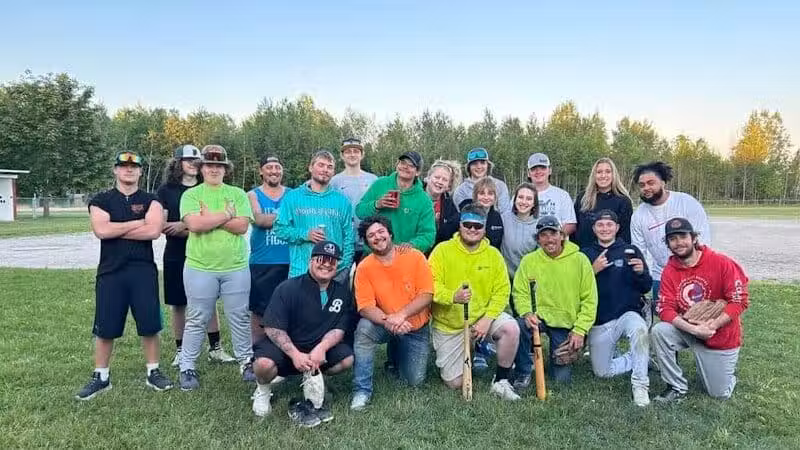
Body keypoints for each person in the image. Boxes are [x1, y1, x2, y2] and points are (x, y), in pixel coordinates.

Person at [77, 151, 173, 400]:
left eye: (134, 167)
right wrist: (136, 222)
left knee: (149, 324)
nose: (128, 170)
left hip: (142, 270)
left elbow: (153, 231)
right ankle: (101, 376)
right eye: (123, 166)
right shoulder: (101, 199)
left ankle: (153, 371)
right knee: (105, 326)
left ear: (141, 171)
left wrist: (116, 228)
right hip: (111, 272)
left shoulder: (151, 199)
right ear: (115, 170)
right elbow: (101, 230)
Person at [251, 241, 355, 426]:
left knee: (346, 359)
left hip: (316, 349)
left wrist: (321, 348)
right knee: (263, 364)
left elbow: (339, 328)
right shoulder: (288, 288)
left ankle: (311, 377)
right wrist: (295, 354)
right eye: (321, 259)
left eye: (332, 261)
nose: (327, 264)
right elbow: (272, 328)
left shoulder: (341, 292)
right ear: (311, 261)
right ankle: (263, 390)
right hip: (287, 349)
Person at [178, 145, 255, 390]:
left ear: (225, 169)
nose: (213, 169)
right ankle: (187, 366)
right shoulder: (191, 195)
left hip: (235, 266)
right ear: (201, 168)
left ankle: (246, 361)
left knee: (240, 316)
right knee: (197, 316)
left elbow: (242, 226)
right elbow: (195, 225)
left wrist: (211, 217)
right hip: (201, 266)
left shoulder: (237, 193)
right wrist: (225, 215)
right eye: (209, 165)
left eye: (218, 165)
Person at [428, 203, 521, 401]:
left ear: (484, 229)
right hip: (450, 325)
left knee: (511, 328)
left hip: (481, 320)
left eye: (477, 226)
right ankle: (471, 348)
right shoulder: (441, 251)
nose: (472, 229)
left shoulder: (494, 255)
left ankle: (501, 380)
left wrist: (487, 319)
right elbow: (430, 284)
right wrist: (452, 297)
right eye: (468, 224)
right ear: (460, 225)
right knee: (455, 383)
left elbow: (502, 290)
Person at [651, 218, 749, 402]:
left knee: (718, 393)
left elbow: (739, 301)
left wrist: (713, 324)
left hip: (719, 334)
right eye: (672, 239)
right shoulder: (670, 270)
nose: (678, 242)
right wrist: (695, 330)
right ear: (668, 244)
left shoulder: (721, 263)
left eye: (683, 236)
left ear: (694, 238)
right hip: (690, 329)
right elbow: (665, 309)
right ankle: (676, 386)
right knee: (660, 331)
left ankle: (726, 375)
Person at [157, 145, 235, 367]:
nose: (192, 163)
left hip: (205, 251)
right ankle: (181, 350)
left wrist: (185, 224)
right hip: (176, 253)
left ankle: (215, 348)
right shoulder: (166, 191)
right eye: (187, 159)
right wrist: (196, 225)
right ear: (177, 163)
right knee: (179, 304)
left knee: (208, 301)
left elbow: (216, 223)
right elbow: (162, 225)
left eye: (196, 160)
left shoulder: (206, 188)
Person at [350, 216, 432, 410]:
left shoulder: (415, 257)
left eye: (381, 232)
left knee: (414, 381)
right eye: (371, 235)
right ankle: (361, 390)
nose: (377, 237)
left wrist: (401, 315)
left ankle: (396, 354)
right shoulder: (365, 267)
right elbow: (365, 306)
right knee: (363, 330)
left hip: (415, 327)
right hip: (385, 323)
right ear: (366, 242)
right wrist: (390, 321)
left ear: (390, 233)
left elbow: (427, 295)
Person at [512, 216, 597, 388]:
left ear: (562, 236)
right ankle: (523, 370)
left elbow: (590, 299)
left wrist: (580, 330)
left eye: (553, 233)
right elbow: (520, 292)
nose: (549, 239)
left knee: (561, 380)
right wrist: (527, 313)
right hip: (539, 317)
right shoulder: (529, 261)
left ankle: (564, 355)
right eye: (544, 235)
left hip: (565, 321)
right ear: (538, 239)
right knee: (518, 326)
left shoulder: (580, 260)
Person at [581, 210, 652, 406]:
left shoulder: (630, 250)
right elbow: (577, 289)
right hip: (600, 320)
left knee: (639, 330)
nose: (605, 229)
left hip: (627, 314)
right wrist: (592, 271)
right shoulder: (585, 254)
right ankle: (640, 358)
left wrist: (640, 272)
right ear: (594, 229)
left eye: (609, 225)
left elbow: (645, 286)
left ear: (617, 228)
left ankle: (640, 385)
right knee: (603, 372)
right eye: (600, 225)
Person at [630, 161, 711, 303]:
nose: (646, 188)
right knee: (665, 320)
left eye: (651, 183)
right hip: (661, 276)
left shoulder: (686, 202)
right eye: (642, 185)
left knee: (696, 318)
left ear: (662, 182)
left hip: (693, 274)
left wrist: (698, 271)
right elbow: (639, 251)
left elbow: (703, 240)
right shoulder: (638, 216)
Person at [274, 150, 354, 283]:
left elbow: (349, 237)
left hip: (333, 273)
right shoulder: (293, 197)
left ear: (333, 172)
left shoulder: (342, 201)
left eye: (330, 167)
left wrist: (343, 266)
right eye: (321, 165)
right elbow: (279, 229)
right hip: (301, 271)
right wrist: (305, 234)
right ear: (310, 167)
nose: (325, 170)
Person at [355, 151, 436, 254]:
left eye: (411, 165)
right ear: (397, 164)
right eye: (403, 163)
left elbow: (428, 235)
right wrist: (377, 205)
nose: (405, 167)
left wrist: (413, 245)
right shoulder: (380, 184)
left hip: (402, 257)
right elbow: (359, 211)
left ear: (418, 172)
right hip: (373, 254)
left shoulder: (424, 200)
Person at [247, 154, 291, 343]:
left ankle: (286, 351)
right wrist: (288, 217)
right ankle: (257, 351)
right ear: (261, 171)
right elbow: (260, 220)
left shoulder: (292, 193)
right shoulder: (253, 195)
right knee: (259, 311)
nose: (274, 171)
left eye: (277, 167)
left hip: (290, 260)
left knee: (289, 308)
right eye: (269, 167)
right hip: (263, 261)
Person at [329, 138, 378, 264]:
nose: (352, 154)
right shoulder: (334, 181)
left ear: (362, 155)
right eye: (348, 151)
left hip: (369, 241)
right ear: (342, 155)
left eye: (356, 151)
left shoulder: (373, 180)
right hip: (343, 242)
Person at [573, 157, 633, 249]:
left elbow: (625, 236)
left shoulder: (623, 201)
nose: (603, 175)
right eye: (599, 172)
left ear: (614, 175)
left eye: (608, 172)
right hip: (583, 255)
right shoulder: (582, 198)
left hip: (611, 256)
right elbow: (574, 230)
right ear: (594, 175)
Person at [527, 152, 577, 237]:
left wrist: (555, 238)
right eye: (534, 169)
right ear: (528, 173)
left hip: (555, 247)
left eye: (542, 168)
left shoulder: (562, 195)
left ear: (550, 170)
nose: (538, 171)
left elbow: (570, 224)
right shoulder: (520, 197)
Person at [501, 182, 540, 284]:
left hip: (528, 279)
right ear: (514, 200)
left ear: (534, 203)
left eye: (529, 199)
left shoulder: (539, 225)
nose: (523, 202)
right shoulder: (503, 219)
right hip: (505, 279)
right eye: (520, 197)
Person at [452, 147, 511, 213]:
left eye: (482, 163)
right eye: (474, 163)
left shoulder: (500, 186)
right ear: (469, 167)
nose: (479, 167)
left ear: (488, 165)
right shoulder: (460, 191)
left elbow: (505, 213)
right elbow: (463, 215)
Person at [424, 159, 462, 253]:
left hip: (436, 254)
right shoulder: (413, 195)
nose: (440, 182)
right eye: (437, 177)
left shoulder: (450, 207)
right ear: (428, 178)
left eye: (445, 180)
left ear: (449, 186)